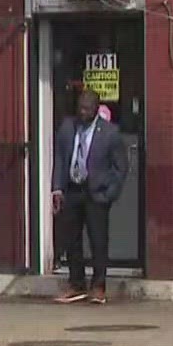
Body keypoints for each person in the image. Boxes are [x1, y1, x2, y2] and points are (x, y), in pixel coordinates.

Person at [52, 89, 128, 304]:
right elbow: (60, 158)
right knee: (71, 239)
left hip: (96, 192)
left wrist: (110, 193)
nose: (82, 112)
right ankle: (76, 284)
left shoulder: (110, 133)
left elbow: (121, 167)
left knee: (98, 239)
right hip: (73, 189)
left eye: (87, 108)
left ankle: (99, 286)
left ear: (96, 109)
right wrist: (57, 188)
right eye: (80, 108)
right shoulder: (68, 127)